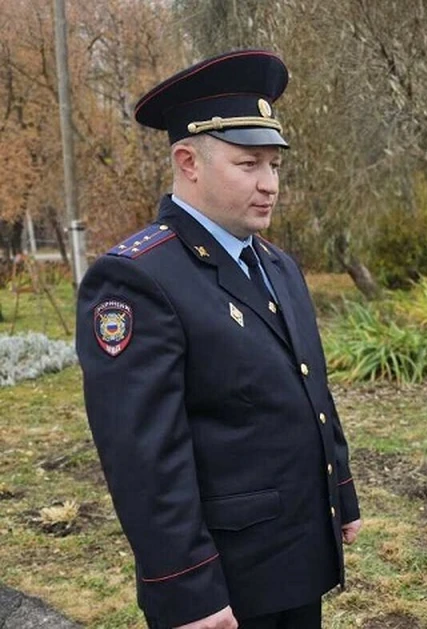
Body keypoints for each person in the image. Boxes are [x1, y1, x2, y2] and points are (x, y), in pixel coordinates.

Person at [76, 50, 361, 629]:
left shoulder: (277, 266)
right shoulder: (138, 278)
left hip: (296, 551)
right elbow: (145, 455)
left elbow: (310, 391)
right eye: (248, 164)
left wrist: (342, 495)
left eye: (275, 166)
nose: (269, 184)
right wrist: (188, 591)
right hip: (223, 581)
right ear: (189, 161)